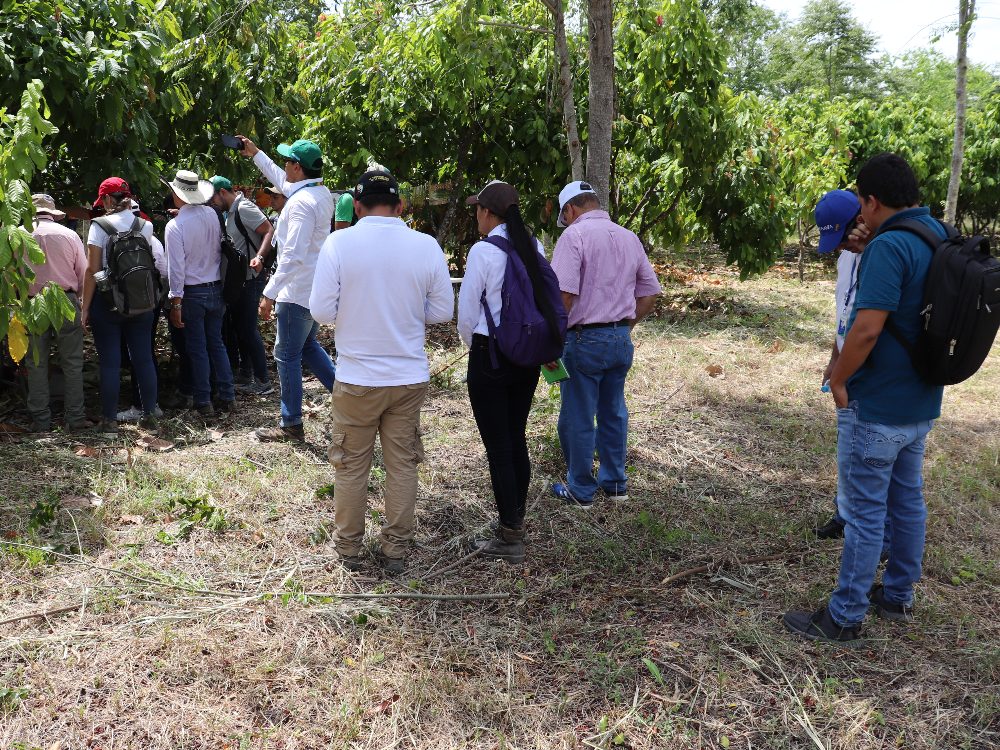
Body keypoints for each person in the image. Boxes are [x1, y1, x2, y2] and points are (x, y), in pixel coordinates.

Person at [784, 154, 945, 644]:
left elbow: (868, 328)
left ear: (872, 201)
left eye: (861, 203)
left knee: (865, 511)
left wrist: (839, 379)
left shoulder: (889, 247)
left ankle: (845, 615)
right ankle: (897, 595)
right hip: (920, 401)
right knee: (908, 499)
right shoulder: (937, 235)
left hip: (878, 403)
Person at [309, 168, 453, 573]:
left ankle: (350, 549)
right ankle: (395, 550)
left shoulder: (340, 244)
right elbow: (442, 310)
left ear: (356, 206)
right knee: (402, 464)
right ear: (400, 205)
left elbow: (320, 310)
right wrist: (405, 314)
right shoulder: (424, 245)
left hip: (357, 377)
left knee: (351, 464)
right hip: (408, 376)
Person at [457, 181, 561, 563]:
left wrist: (477, 348)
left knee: (498, 447)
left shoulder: (483, 251)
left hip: (490, 355)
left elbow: (467, 314)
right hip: (527, 356)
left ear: (487, 213)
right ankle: (515, 518)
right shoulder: (532, 246)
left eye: (477, 210)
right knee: (515, 437)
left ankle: (509, 534)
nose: (476, 216)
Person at [549, 181, 661, 507]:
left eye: (565, 216)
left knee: (579, 416)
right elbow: (650, 291)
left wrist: (552, 339)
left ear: (569, 210)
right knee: (613, 413)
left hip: (583, 339)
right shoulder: (628, 236)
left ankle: (581, 490)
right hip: (619, 338)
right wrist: (625, 326)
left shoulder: (574, 236)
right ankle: (615, 485)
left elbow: (564, 296)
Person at [237, 135, 337, 442]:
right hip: (314, 288)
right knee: (306, 346)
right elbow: (280, 178)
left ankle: (291, 424)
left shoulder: (302, 204)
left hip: (296, 291)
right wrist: (255, 153)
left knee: (286, 354)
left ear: (297, 168)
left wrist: (269, 293)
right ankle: (351, 400)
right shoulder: (318, 192)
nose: (283, 166)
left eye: (287, 161)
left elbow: (292, 256)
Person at [81, 177, 159, 432]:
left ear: (105, 199)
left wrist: (85, 308)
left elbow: (93, 270)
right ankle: (149, 415)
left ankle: (110, 420)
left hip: (108, 303)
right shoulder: (144, 225)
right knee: (144, 359)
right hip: (141, 300)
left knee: (110, 363)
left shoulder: (98, 226)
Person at [163, 168, 235, 418]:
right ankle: (227, 394)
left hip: (192, 293)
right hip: (215, 287)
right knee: (216, 344)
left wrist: (176, 302)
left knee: (197, 348)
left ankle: (203, 400)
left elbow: (177, 269)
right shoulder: (213, 215)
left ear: (176, 193)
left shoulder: (175, 226)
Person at [24, 194, 92, 432]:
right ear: (53, 213)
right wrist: (82, 303)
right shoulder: (69, 234)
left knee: (36, 363)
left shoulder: (21, 233)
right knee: (72, 363)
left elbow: (11, 273)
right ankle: (75, 419)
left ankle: (41, 421)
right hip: (66, 300)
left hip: (33, 303)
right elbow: (84, 272)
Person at [210, 176, 275, 396]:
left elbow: (268, 230)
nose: (211, 202)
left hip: (252, 278)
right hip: (239, 280)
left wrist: (260, 257)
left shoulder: (244, 207)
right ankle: (246, 374)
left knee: (248, 330)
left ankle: (263, 380)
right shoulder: (229, 211)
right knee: (240, 329)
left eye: (213, 197)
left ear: (222, 193)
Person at [118, 199, 167, 422]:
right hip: (149, 302)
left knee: (140, 354)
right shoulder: (151, 239)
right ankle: (148, 404)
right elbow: (163, 274)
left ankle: (145, 405)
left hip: (132, 304)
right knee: (142, 352)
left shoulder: (116, 239)